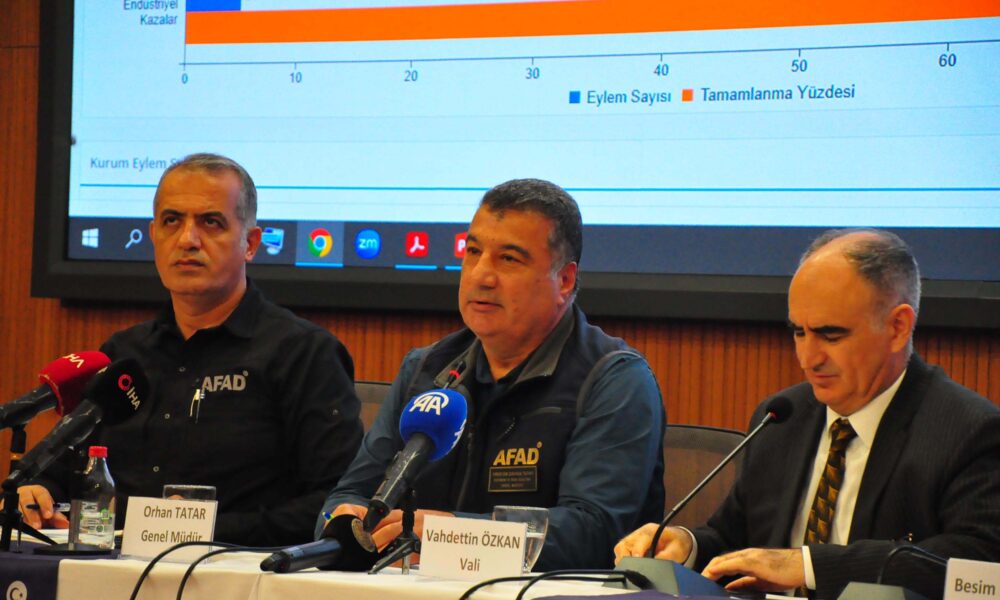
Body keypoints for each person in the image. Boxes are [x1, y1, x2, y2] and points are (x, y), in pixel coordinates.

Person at [615, 228, 1000, 599]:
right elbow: (735, 539)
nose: (808, 358)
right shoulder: (782, 418)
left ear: (898, 327)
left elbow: (978, 561)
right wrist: (687, 545)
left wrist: (810, 566)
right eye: (799, 332)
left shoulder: (967, 430)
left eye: (831, 335)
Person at [17, 153, 364, 546]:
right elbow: (65, 473)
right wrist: (40, 491)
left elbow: (336, 503)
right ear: (154, 235)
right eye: (172, 221)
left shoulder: (304, 353)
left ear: (250, 243)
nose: (187, 239)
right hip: (111, 567)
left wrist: (200, 531)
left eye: (210, 222)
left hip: (237, 568)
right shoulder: (123, 354)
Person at [319, 178, 666, 569]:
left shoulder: (614, 379)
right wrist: (341, 521)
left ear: (564, 281)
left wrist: (452, 537)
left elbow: (593, 532)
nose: (480, 275)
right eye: (473, 252)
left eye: (509, 259)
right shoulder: (426, 369)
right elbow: (346, 496)